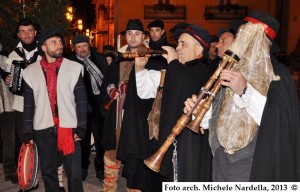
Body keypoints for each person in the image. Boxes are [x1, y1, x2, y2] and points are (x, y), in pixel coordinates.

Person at [184, 11, 300, 181]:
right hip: (220, 158)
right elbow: (216, 114)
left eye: (244, 35)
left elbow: (276, 121)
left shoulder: (277, 74)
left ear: (259, 40)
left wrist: (245, 90)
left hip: (251, 162)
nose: (239, 40)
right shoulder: (231, 68)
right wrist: (199, 112)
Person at [100, 19, 164, 191]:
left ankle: (134, 189)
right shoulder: (117, 58)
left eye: (137, 34)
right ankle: (108, 187)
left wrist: (134, 88)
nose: (133, 37)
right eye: (129, 34)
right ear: (125, 37)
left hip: (139, 118)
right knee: (111, 152)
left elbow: (157, 91)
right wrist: (112, 90)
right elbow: (106, 82)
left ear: (144, 36)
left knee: (135, 155)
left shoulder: (154, 58)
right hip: (118, 115)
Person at [22, 28, 87, 191]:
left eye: (60, 42)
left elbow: (81, 100)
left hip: (69, 127)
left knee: (74, 173)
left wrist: (82, 126)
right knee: (48, 172)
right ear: (43, 47)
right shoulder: (30, 72)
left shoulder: (74, 68)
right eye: (54, 42)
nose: (59, 45)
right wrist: (27, 130)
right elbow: (28, 104)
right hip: (43, 128)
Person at [155, 25, 214, 182]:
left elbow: (184, 82)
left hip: (190, 147)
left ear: (198, 50)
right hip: (178, 143)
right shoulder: (183, 69)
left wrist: (173, 63)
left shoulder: (204, 71)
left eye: (183, 44)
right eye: (178, 43)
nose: (177, 48)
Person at [2, 18, 40, 187]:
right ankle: (26, 173)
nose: (26, 34)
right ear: (18, 34)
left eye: (29, 30)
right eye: (22, 31)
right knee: (23, 141)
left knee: (42, 140)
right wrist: (9, 80)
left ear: (35, 32)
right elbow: (9, 85)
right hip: (20, 105)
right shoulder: (12, 56)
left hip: (42, 107)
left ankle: (42, 170)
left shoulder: (44, 53)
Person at [69, 34, 108, 181]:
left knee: (101, 141)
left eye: (84, 46)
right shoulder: (70, 63)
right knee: (82, 142)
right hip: (81, 109)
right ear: (75, 49)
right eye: (78, 47)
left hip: (100, 107)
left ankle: (100, 168)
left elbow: (107, 78)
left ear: (89, 45)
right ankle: (82, 168)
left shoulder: (99, 59)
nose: (82, 49)